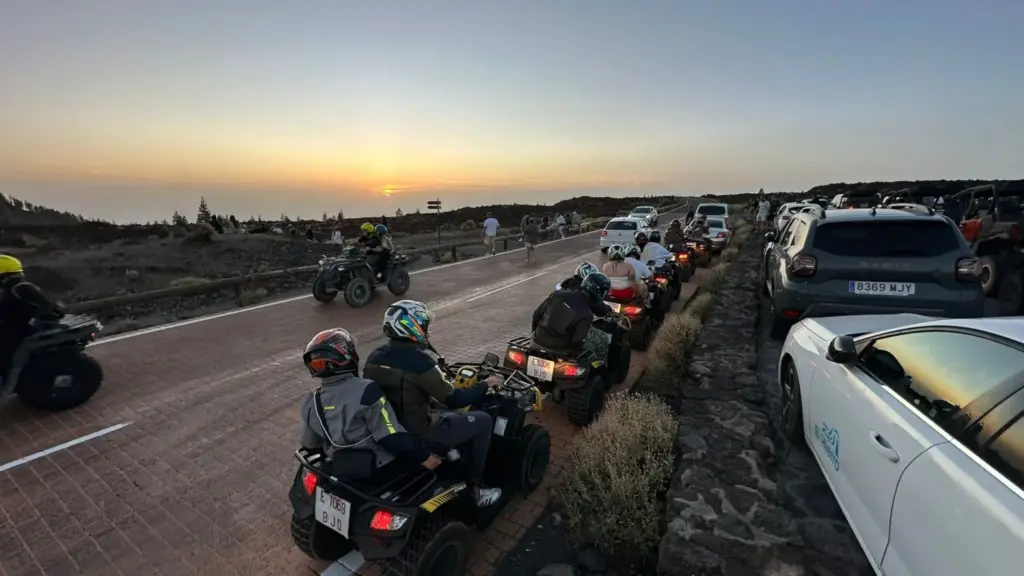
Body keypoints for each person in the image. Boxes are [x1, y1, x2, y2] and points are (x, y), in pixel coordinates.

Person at [364, 300, 504, 507]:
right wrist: (486, 384)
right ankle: (477, 488)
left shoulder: (374, 356)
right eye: (424, 325)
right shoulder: (420, 362)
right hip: (419, 431)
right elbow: (455, 398)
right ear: (412, 326)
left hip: (391, 428)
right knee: (482, 420)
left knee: (448, 412)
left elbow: (397, 392)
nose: (427, 330)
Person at [298, 328, 434, 477]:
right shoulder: (366, 390)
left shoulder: (311, 400)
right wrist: (424, 457)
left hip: (339, 466)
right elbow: (391, 436)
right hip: (378, 466)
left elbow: (310, 444)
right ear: (347, 356)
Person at [0, 256, 64, 381]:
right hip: (14, 326)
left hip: (22, 329)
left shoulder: (21, 288)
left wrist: (34, 321)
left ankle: (7, 377)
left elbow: (48, 307)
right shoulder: (11, 289)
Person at [531, 272, 613, 364]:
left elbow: (536, 315)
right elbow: (576, 341)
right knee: (597, 344)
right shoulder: (587, 313)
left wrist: (535, 334)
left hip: (536, 343)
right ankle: (600, 370)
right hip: (559, 352)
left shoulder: (557, 294)